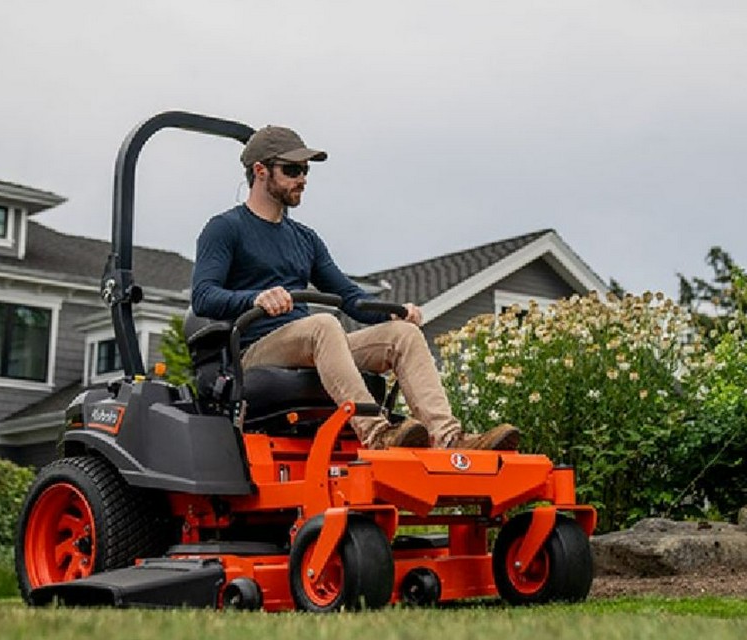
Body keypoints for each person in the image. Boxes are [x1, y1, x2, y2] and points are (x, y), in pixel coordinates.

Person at [191, 125, 519, 450]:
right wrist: (256, 298)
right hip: (255, 352)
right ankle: (377, 434)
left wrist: (396, 314)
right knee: (322, 324)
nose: (302, 179)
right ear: (260, 171)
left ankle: (450, 438)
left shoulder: (305, 238)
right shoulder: (225, 229)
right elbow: (204, 295)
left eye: (305, 170)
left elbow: (349, 297)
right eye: (291, 170)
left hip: (310, 344)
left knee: (402, 335)